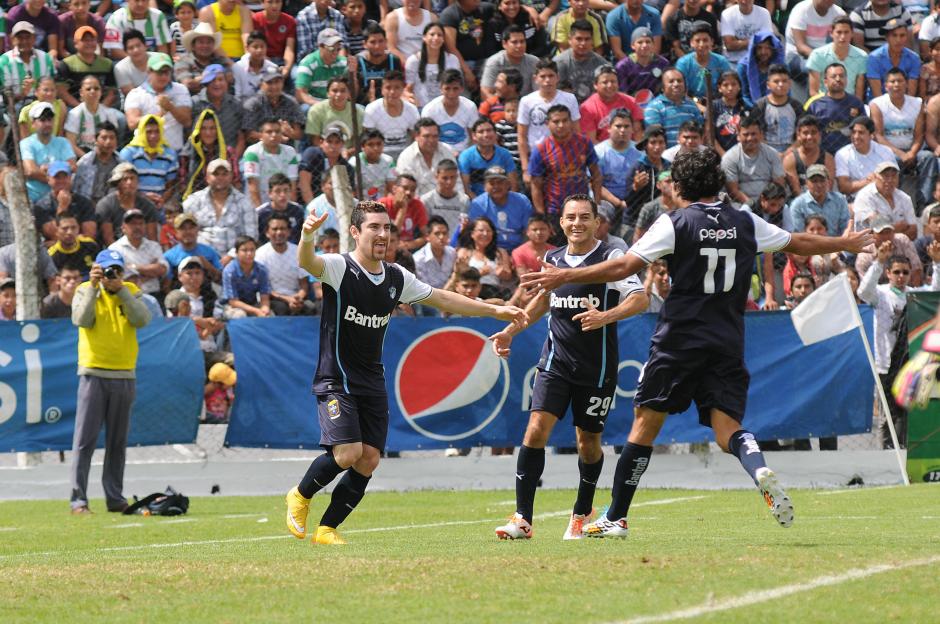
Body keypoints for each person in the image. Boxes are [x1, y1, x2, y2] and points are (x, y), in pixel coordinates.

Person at [518, 147, 872, 538]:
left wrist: (562, 277)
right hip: (727, 338)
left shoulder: (676, 222)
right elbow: (796, 242)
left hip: (680, 337)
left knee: (645, 423)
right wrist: (845, 242)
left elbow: (623, 266)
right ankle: (757, 467)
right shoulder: (744, 220)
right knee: (727, 428)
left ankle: (616, 516)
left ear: (681, 185)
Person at [284, 200, 527, 545]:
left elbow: (444, 299)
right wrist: (308, 236)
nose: (382, 234)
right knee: (348, 453)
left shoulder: (396, 277)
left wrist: (495, 310)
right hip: (336, 378)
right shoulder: (341, 267)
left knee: (368, 460)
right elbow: (308, 262)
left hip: (371, 380)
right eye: (374, 227)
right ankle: (300, 494)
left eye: (387, 228)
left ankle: (327, 529)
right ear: (355, 232)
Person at [490, 194, 648, 540]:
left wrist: (606, 316)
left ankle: (582, 512)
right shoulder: (553, 258)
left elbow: (641, 299)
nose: (577, 223)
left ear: (596, 223)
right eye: (571, 218)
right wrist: (511, 330)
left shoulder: (611, 257)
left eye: (584, 218)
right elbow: (543, 301)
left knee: (588, 442)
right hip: (554, 363)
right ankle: (522, 518)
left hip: (597, 367)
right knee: (534, 431)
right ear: (560, 223)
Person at [69, 249, 152, 514]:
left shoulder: (130, 291)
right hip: (93, 372)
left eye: (116, 270)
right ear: (97, 270)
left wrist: (122, 291)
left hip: (124, 374)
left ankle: (115, 498)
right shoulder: (85, 289)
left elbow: (142, 319)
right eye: (107, 270)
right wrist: (94, 287)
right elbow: (81, 319)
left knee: (117, 442)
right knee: (85, 441)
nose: (111, 275)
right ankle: (78, 499)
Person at [858, 240, 940, 447]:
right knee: (887, 416)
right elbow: (863, 292)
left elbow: (934, 294)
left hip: (911, 363)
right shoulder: (880, 294)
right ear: (888, 273)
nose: (901, 276)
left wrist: (937, 264)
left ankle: (904, 451)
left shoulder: (914, 296)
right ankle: (885, 456)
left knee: (908, 413)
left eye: (905, 272)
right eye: (896, 272)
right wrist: (878, 261)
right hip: (886, 363)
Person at [528, 105, 602, 241]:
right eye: (556, 121)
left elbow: (596, 174)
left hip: (582, 207)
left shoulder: (584, 143)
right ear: (547, 124)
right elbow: (535, 186)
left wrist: (596, 204)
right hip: (555, 210)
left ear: (571, 122)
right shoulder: (540, 150)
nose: (561, 125)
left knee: (584, 248)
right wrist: (542, 217)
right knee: (558, 252)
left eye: (565, 120)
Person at [870, 68, 937, 211]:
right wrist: (901, 154)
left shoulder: (917, 103)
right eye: (892, 81)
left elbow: (919, 135)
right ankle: (893, 203)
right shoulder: (876, 104)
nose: (896, 85)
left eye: (900, 81)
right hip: (888, 151)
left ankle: (924, 203)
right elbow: (878, 136)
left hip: (912, 150)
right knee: (893, 161)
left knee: (929, 158)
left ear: (906, 84)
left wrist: (912, 152)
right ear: (885, 85)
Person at [183, 158, 258, 261]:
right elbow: (184, 233)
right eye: (216, 174)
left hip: (235, 260)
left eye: (224, 174)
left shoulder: (244, 203)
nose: (220, 177)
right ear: (207, 177)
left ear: (231, 176)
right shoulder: (193, 201)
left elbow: (251, 236)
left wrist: (231, 256)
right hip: (200, 259)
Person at [517, 59, 580, 180]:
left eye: (551, 76)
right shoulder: (526, 101)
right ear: (536, 78)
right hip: (537, 156)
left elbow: (576, 130)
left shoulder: (569, 99)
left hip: (564, 155)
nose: (547, 80)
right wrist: (525, 168)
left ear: (557, 77)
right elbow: (521, 135)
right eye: (543, 76)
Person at [125, 53, 193, 153]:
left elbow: (187, 121)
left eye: (167, 72)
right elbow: (132, 123)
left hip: (174, 152)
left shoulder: (181, 90)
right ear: (149, 71)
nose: (164, 76)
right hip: (144, 153)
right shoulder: (136, 94)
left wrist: (170, 107)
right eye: (160, 72)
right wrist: (159, 114)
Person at [256, 214, 315, 316]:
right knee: (281, 309)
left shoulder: (299, 251)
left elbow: (304, 284)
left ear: (289, 232)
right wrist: (287, 300)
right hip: (272, 299)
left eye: (282, 228)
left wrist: (298, 298)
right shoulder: (260, 255)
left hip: (296, 298)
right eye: (274, 229)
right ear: (267, 233)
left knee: (311, 308)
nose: (279, 232)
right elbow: (263, 287)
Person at [721, 115, 786, 206]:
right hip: (741, 205)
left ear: (761, 134)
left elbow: (779, 183)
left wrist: (767, 203)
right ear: (738, 136)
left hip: (769, 202)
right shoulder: (729, 157)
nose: (750, 138)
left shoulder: (772, 154)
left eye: (753, 134)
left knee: (785, 208)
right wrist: (752, 205)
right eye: (746, 134)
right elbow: (733, 190)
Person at [118, 114, 180, 210]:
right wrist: (144, 198)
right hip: (132, 204)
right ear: (141, 132)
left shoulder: (170, 154)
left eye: (157, 131)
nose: (153, 136)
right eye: (149, 132)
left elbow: (170, 185)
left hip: (159, 206)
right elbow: (122, 184)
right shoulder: (128, 153)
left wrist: (161, 200)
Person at [20, 102, 77, 203]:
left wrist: (47, 168)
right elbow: (30, 171)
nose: (47, 123)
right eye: (42, 120)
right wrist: (59, 176)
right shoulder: (26, 143)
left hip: (60, 196)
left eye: (50, 120)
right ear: (33, 123)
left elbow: (72, 166)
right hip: (34, 198)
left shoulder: (63, 142)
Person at [594, 109, 641, 231]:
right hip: (606, 201)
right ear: (609, 128)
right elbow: (595, 184)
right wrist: (618, 203)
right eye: (618, 126)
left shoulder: (640, 152)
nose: (622, 130)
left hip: (634, 199)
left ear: (632, 129)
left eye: (627, 126)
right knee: (600, 216)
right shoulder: (599, 152)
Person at [806, 63, 865, 156]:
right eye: (833, 76)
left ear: (846, 80)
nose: (838, 79)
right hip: (821, 155)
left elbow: (865, 130)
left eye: (841, 76)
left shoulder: (856, 103)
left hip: (851, 155)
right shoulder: (814, 104)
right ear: (825, 81)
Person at [468, 165, 532, 250]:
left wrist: (520, 253)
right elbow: (476, 234)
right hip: (489, 250)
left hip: (518, 248)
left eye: (500, 182)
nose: (496, 186)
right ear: (485, 186)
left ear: (508, 184)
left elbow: (528, 231)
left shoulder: (522, 201)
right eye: (492, 183)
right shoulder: (478, 204)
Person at [835, 116, 898, 201]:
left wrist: (875, 181)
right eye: (853, 132)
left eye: (861, 133)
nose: (856, 136)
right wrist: (869, 181)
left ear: (871, 135)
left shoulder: (886, 152)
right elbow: (844, 187)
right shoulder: (842, 154)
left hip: (882, 197)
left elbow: (894, 181)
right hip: (854, 199)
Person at [396, 118, 463, 197]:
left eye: (435, 136)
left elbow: (457, 182)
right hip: (417, 204)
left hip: (446, 202)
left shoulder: (447, 151)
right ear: (416, 136)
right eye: (426, 136)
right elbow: (407, 189)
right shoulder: (406, 157)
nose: (431, 140)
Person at [439, 0, 496, 93]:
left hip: (484, 62)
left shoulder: (486, 9)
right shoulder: (449, 15)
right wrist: (467, 72)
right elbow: (451, 48)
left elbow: (508, 7)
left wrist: (528, 9)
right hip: (461, 65)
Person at [95, 163, 160, 245]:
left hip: (142, 250)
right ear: (117, 183)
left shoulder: (147, 206)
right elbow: (108, 239)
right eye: (125, 179)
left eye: (132, 178)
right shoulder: (105, 205)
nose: (129, 182)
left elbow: (152, 238)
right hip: (113, 251)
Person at [806, 16, 867, 101]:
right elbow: (813, 92)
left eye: (846, 32)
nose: (842, 37)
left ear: (852, 33)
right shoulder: (817, 55)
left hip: (849, 104)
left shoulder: (862, 56)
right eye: (839, 32)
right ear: (831, 33)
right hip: (824, 103)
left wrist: (855, 107)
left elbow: (858, 93)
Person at [363, 69, 419, 160]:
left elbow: (416, 137)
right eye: (388, 88)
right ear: (382, 90)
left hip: (405, 156)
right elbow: (368, 139)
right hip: (379, 156)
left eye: (397, 87)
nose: (392, 92)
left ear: (403, 89)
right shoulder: (372, 109)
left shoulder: (411, 110)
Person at [785, 0, 844, 85]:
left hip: (826, 57)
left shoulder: (839, 14)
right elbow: (801, 47)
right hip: (798, 57)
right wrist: (823, 60)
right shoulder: (801, 10)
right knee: (814, 67)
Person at [63, 76, 124, 159]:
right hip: (82, 156)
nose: (93, 91)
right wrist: (88, 159)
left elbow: (112, 141)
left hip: (105, 154)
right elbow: (71, 144)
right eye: (88, 89)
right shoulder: (74, 114)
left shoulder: (109, 113)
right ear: (81, 92)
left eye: (96, 89)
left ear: (101, 92)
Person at [579, 64, 641, 144]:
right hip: (603, 153)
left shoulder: (631, 102)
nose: (610, 85)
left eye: (613, 81)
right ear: (595, 85)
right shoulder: (587, 108)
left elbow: (638, 133)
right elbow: (591, 141)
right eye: (605, 82)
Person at [405, 22, 461, 109]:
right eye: (432, 34)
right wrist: (411, 99)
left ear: (443, 39)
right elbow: (408, 89)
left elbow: (457, 86)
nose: (436, 38)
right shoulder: (413, 61)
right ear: (424, 37)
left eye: (439, 35)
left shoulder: (452, 60)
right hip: (421, 108)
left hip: (445, 108)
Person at [242, 68, 305, 145]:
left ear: (282, 83)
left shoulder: (291, 102)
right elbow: (248, 134)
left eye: (277, 82)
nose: (274, 86)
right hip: (259, 150)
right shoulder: (252, 104)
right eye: (269, 83)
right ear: (261, 85)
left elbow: (299, 134)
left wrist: (290, 133)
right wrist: (275, 138)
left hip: (285, 149)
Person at [643, 68, 703, 147]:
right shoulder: (654, 108)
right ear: (662, 87)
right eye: (671, 81)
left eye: (679, 81)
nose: (676, 84)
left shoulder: (691, 106)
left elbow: (700, 131)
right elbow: (655, 138)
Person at [855, 214, 923, 284]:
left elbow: (916, 269)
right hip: (877, 291)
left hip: (905, 287)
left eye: (888, 232)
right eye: (881, 233)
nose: (886, 236)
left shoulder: (902, 241)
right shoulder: (864, 254)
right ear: (872, 234)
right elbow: (866, 284)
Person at [58, 26, 116, 108]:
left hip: (102, 107)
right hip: (74, 107)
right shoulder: (66, 64)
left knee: (120, 119)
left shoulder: (107, 64)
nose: (89, 43)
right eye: (85, 40)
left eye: (92, 40)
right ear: (75, 44)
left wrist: (101, 109)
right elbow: (62, 92)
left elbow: (111, 93)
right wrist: (81, 109)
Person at [458, 117, 517, 198]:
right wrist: (480, 204)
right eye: (481, 132)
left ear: (496, 134)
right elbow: (465, 188)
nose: (486, 135)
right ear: (474, 136)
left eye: (489, 130)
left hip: (502, 199)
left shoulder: (505, 154)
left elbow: (513, 185)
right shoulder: (466, 156)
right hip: (476, 202)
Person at [787, 164, 851, 236]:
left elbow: (845, 227)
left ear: (828, 181)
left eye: (822, 180)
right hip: (809, 245)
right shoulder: (798, 204)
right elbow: (799, 233)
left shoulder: (839, 200)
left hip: (837, 243)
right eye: (814, 181)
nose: (819, 185)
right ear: (806, 183)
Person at [554, 20, 608, 104]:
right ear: (570, 40)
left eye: (587, 39)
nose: (583, 43)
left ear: (592, 41)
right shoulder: (559, 63)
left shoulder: (602, 64)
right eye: (579, 39)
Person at [0, 23, 56, 103]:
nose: (24, 41)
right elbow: (7, 98)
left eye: (28, 37)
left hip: (43, 104)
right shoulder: (4, 61)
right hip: (15, 105)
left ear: (34, 38)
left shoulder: (46, 58)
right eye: (20, 37)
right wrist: (23, 93)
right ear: (12, 39)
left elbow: (53, 86)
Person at [753, 64, 802, 154]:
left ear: (790, 83)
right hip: (765, 150)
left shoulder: (796, 106)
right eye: (776, 81)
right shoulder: (760, 106)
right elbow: (755, 133)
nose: (781, 84)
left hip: (791, 149)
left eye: (784, 81)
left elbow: (802, 134)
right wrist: (772, 154)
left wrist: (788, 152)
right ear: (768, 85)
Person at [480, 25, 538, 100]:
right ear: (504, 44)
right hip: (501, 106)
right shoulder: (494, 62)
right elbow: (485, 93)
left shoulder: (534, 62)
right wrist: (501, 108)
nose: (519, 45)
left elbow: (539, 92)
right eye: (514, 42)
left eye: (522, 41)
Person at [782, 115, 836, 195]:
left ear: (819, 135)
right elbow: (796, 192)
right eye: (805, 133)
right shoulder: (790, 159)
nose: (809, 137)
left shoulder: (828, 159)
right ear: (798, 135)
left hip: (823, 201)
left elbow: (828, 189)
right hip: (799, 203)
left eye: (813, 133)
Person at [163, 212, 224, 283]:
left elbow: (221, 279)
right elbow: (166, 286)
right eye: (183, 228)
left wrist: (209, 267)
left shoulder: (209, 251)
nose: (188, 232)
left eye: (191, 228)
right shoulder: (169, 257)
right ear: (176, 233)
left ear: (197, 230)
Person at [295, 28, 348, 108]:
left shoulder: (344, 63)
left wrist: (353, 74)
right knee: (305, 109)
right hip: (315, 104)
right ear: (320, 46)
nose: (335, 52)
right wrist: (322, 106)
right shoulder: (307, 63)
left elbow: (351, 93)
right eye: (331, 49)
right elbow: (300, 94)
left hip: (339, 103)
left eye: (338, 49)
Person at [675, 22, 729, 100]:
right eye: (697, 41)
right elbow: (681, 91)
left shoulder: (721, 62)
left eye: (705, 40)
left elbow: (727, 87)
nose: (702, 44)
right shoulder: (683, 63)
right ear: (691, 43)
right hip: (690, 104)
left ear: (712, 42)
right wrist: (699, 107)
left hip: (717, 103)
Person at [614, 27, 669, 104]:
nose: (644, 45)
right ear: (633, 46)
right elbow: (622, 94)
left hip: (659, 105)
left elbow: (667, 90)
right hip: (631, 105)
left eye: (648, 42)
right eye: (640, 42)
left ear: (653, 44)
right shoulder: (622, 66)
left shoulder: (663, 63)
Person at [867, 18, 920, 98]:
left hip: (904, 103)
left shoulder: (914, 58)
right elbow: (877, 94)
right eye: (894, 35)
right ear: (887, 37)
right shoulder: (874, 58)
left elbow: (911, 93)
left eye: (902, 35)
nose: (898, 40)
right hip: (879, 104)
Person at [103, 0, 172, 59]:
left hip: (152, 63)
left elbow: (162, 49)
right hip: (125, 61)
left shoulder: (159, 16)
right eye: (136, 0)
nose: (140, 4)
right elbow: (114, 51)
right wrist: (138, 62)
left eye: (144, 0)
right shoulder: (116, 17)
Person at [73, 121, 120, 207]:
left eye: (112, 138)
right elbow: (75, 189)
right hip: (87, 208)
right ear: (95, 140)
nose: (108, 142)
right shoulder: (85, 163)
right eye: (104, 138)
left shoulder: (121, 164)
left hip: (112, 209)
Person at [379, 173, 428, 251]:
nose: (408, 193)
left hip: (408, 249)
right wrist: (403, 209)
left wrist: (409, 245)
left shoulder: (418, 205)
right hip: (386, 247)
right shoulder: (382, 204)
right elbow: (391, 236)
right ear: (394, 189)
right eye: (405, 188)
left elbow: (426, 236)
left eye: (412, 190)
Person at [737, 32, 784, 109]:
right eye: (759, 48)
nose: (763, 52)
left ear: (773, 49)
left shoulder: (780, 67)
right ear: (753, 49)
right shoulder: (743, 67)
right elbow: (744, 96)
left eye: (768, 48)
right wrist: (758, 110)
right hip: (752, 109)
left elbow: (786, 93)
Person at [47, 212, 98, 278]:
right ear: (56, 231)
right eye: (65, 228)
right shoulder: (51, 256)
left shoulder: (90, 245)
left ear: (79, 228)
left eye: (73, 228)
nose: (70, 232)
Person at [720, 0, 773, 64]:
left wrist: (738, 41)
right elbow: (729, 45)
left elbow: (766, 42)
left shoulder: (764, 13)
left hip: (757, 61)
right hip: (733, 61)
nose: (744, 1)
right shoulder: (727, 14)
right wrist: (756, 40)